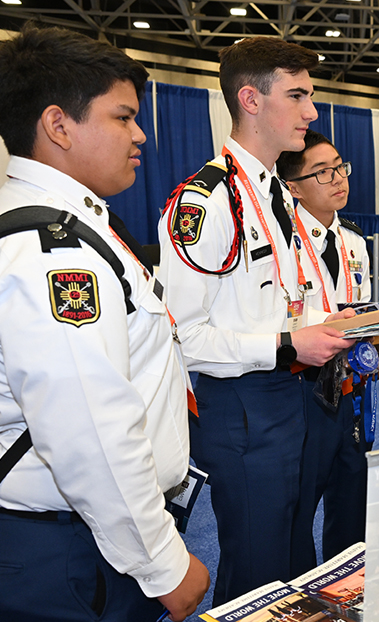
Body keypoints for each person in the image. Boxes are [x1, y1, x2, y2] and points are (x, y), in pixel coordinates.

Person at [0, 25, 209, 621]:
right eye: (123, 118)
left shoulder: (75, 227)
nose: (142, 135)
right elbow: (88, 430)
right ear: (58, 125)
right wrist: (164, 564)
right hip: (73, 551)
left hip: (89, 536)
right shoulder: (53, 250)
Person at [158, 36, 358, 605]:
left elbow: (278, 300)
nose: (312, 111)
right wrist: (286, 345)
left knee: (295, 560)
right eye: (297, 96)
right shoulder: (206, 203)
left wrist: (335, 323)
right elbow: (184, 337)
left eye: (311, 96)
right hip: (245, 408)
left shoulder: (276, 193)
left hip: (297, 400)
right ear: (250, 99)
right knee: (257, 567)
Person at [276, 129, 379, 568]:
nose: (338, 178)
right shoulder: (281, 242)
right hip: (302, 391)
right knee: (298, 510)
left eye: (339, 167)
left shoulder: (355, 241)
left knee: (352, 503)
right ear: (293, 187)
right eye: (322, 173)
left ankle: (347, 592)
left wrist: (374, 350)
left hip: (352, 390)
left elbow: (357, 313)